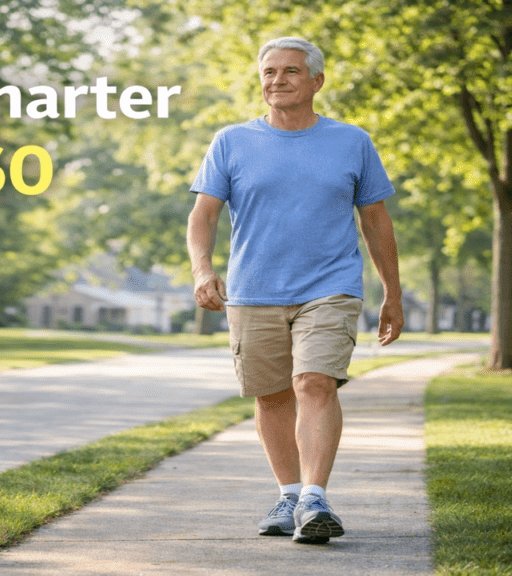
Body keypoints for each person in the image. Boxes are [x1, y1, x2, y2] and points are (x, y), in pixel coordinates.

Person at [186, 37, 404, 544]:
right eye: (268, 72)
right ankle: (288, 493)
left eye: (289, 71)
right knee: (273, 396)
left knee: (314, 382)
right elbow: (204, 215)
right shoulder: (231, 141)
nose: (276, 80)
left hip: (330, 286)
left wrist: (392, 292)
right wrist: (202, 270)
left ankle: (314, 497)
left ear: (316, 82)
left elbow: (376, 221)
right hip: (253, 289)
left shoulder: (352, 142)